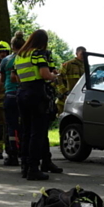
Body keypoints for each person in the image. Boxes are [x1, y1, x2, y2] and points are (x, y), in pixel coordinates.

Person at [14, 29, 62, 181]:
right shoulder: (38, 54)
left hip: (22, 93)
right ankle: (34, 168)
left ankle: (25, 167)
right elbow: (44, 74)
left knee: (26, 132)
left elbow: (15, 76)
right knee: (38, 132)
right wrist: (54, 77)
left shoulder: (20, 55)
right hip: (36, 93)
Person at [0, 31, 26, 166]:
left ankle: (12, 154)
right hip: (25, 95)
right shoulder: (26, 59)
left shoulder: (6, 61)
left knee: (11, 126)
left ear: (12, 46)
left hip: (10, 95)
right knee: (25, 125)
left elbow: (1, 79)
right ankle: (25, 153)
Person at [57, 46, 86, 113]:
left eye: (85, 54)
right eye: (82, 54)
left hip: (79, 96)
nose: (83, 56)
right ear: (76, 54)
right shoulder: (68, 64)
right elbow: (58, 77)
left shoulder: (86, 67)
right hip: (66, 96)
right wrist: (63, 91)